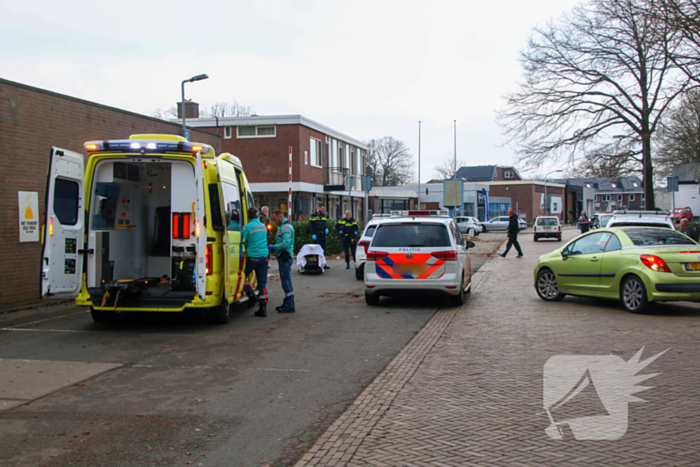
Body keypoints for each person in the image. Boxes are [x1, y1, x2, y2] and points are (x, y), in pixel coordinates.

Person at [270, 209, 296, 313]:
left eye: (274, 218)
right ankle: (287, 302)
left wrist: (274, 247)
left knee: (286, 280)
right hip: (283, 256)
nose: (274, 221)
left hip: (285, 257)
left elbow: (285, 243)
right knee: (285, 280)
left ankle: (290, 304)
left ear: (280, 216)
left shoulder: (285, 227)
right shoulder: (283, 226)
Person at [309, 204, 330, 268]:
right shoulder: (313, 215)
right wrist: (313, 234)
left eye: (323, 209)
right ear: (319, 207)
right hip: (316, 235)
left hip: (322, 234)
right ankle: (317, 264)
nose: (323, 210)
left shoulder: (323, 215)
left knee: (323, 250)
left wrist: (326, 228)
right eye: (322, 209)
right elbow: (311, 226)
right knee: (316, 250)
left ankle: (323, 263)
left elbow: (325, 223)